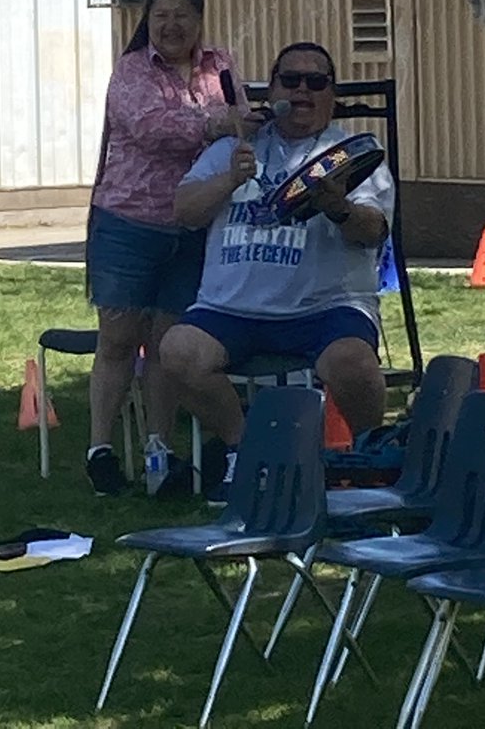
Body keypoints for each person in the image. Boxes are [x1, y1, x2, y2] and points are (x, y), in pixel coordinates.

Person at [161, 41, 394, 503]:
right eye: (291, 80)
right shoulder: (234, 147)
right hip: (231, 309)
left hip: (324, 306)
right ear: (272, 91)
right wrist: (229, 178)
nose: (303, 91)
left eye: (316, 82)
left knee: (351, 361)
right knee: (178, 351)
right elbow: (183, 211)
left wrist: (338, 208)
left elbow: (373, 231)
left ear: (332, 94)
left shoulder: (349, 154)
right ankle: (246, 450)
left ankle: (373, 455)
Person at [85, 0, 247, 496]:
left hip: (194, 224)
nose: (172, 25)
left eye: (182, 15)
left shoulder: (218, 66)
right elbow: (150, 127)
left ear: (199, 20)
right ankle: (101, 450)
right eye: (161, 15)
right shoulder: (131, 72)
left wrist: (233, 125)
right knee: (117, 338)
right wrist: (212, 125)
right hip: (129, 222)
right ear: (147, 21)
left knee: (166, 340)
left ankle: (159, 447)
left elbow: (240, 118)